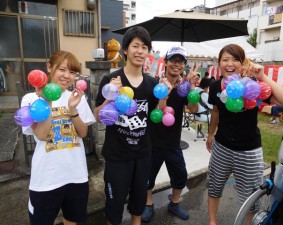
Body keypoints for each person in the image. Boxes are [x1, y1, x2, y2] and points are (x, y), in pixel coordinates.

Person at [205, 44, 283, 225]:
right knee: (214, 186)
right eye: (225, 59)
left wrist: (263, 76)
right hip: (221, 146)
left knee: (251, 196)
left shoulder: (253, 85)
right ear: (219, 63)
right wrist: (210, 134)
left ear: (243, 63)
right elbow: (215, 111)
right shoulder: (215, 86)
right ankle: (212, 221)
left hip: (248, 150)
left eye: (235, 59)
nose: (230, 64)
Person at [93, 26, 171, 225]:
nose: (140, 51)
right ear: (125, 50)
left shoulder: (152, 84)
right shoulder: (110, 80)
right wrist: (111, 95)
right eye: (135, 46)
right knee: (114, 206)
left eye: (144, 47)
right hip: (117, 156)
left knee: (138, 204)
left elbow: (157, 115)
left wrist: (164, 97)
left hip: (143, 155)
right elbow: (98, 116)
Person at [21, 51, 96, 225]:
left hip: (76, 175)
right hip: (46, 179)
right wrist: (47, 101)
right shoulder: (31, 99)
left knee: (73, 220)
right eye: (62, 69)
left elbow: (83, 133)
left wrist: (73, 110)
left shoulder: (76, 97)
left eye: (72, 72)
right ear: (49, 67)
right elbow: (41, 135)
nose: (67, 76)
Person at [141, 46, 199, 222]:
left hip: (173, 142)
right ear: (165, 62)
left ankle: (174, 204)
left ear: (184, 66)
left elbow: (193, 109)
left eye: (181, 61)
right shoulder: (155, 84)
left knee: (180, 175)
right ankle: (148, 204)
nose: (177, 64)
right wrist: (166, 93)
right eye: (173, 60)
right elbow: (154, 115)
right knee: (148, 177)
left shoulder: (184, 87)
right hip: (152, 140)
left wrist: (191, 88)